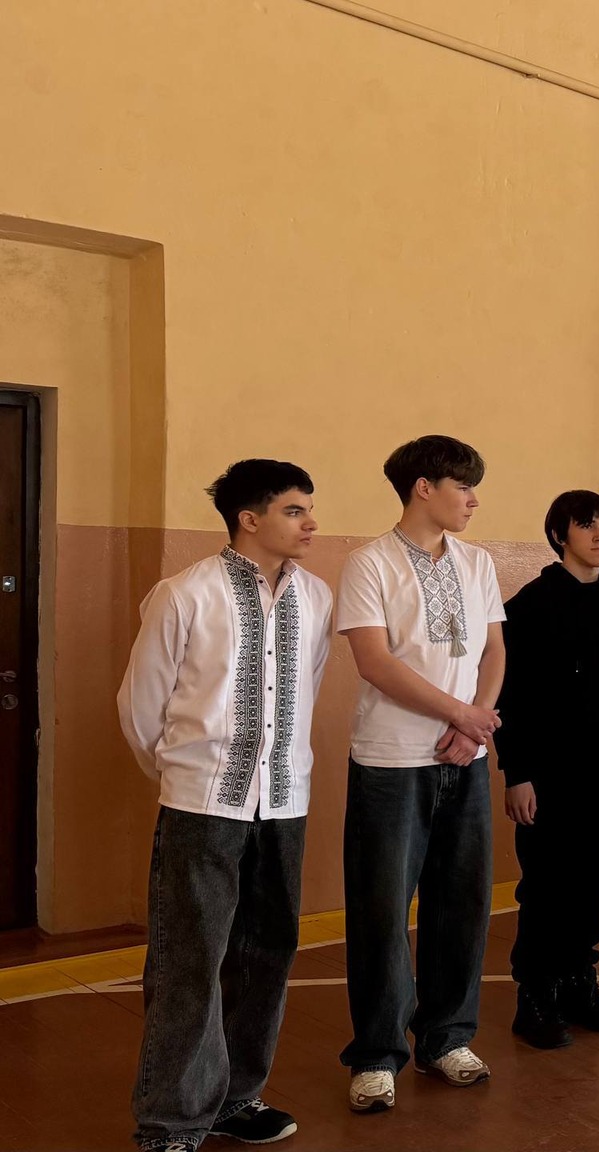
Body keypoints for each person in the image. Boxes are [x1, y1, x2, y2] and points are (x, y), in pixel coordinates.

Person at [118, 460, 333, 1151]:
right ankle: (171, 1121)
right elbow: (141, 706)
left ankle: (236, 1097)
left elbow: (308, 687)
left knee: (266, 953)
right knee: (190, 961)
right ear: (249, 518)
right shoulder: (185, 594)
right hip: (202, 804)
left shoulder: (316, 598)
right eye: (295, 510)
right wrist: (187, 777)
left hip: (285, 800)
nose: (311, 523)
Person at [337, 436, 505, 1112]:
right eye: (462, 486)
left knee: (462, 901)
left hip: (466, 759)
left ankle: (447, 1038)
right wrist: (462, 713)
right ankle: (377, 1055)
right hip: (390, 760)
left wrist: (474, 725)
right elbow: (374, 662)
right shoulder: (368, 562)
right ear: (423, 488)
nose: (472, 500)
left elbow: (494, 649)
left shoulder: (478, 562)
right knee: (381, 908)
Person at [497, 490, 599, 1051]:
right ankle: (535, 993)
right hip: (549, 774)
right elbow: (513, 697)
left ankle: (580, 980)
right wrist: (517, 773)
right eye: (587, 525)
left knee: (592, 879)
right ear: (560, 535)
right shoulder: (528, 607)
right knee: (547, 883)